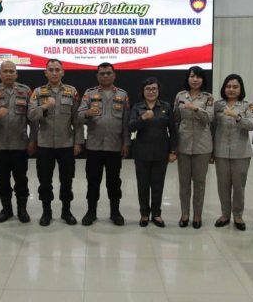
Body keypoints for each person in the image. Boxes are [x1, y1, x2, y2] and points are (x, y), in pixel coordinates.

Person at [27, 59, 83, 226]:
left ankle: (66, 211)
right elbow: (31, 115)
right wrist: (44, 107)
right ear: (45, 73)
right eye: (50, 70)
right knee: (45, 181)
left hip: (66, 144)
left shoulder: (71, 91)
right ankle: (47, 212)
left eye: (57, 69)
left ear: (62, 72)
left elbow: (77, 120)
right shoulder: (38, 92)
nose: (54, 72)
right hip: (45, 145)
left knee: (67, 181)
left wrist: (78, 142)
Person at [0, 61, 36, 224]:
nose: (8, 74)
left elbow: (32, 119)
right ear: (0, 74)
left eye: (12, 71)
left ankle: (22, 210)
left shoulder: (25, 91)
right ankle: (6, 210)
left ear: (16, 74)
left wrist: (32, 140)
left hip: (20, 145)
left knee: (21, 180)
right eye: (5, 71)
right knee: (2, 180)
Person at [78, 63, 130, 226]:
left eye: (108, 73)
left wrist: (126, 143)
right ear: (97, 76)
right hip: (94, 147)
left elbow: (126, 122)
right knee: (93, 182)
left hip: (114, 147)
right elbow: (78, 116)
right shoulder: (89, 93)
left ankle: (115, 212)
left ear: (114, 75)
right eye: (102, 73)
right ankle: (91, 212)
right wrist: (87, 113)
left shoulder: (123, 95)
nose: (105, 76)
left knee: (114, 182)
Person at [128, 77, 177, 228]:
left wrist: (173, 151)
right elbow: (131, 126)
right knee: (142, 185)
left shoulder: (166, 106)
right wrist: (142, 118)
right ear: (143, 91)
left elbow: (173, 130)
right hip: (141, 152)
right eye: (148, 89)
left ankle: (156, 214)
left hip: (161, 152)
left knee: (158, 184)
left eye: (154, 89)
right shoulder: (137, 107)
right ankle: (144, 214)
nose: (151, 91)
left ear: (158, 90)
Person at [212, 75, 253, 231]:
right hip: (221, 151)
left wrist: (237, 117)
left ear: (241, 89)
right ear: (224, 88)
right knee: (223, 185)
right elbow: (212, 127)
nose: (231, 89)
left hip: (241, 152)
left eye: (235, 87)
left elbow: (252, 125)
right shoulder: (217, 105)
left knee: (239, 186)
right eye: (228, 86)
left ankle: (238, 215)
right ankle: (225, 214)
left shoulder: (247, 106)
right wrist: (211, 151)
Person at [173, 66, 215, 229]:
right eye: (192, 76)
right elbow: (176, 118)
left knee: (199, 183)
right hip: (183, 144)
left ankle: (197, 215)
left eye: (198, 77)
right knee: (184, 183)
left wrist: (195, 108)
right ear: (188, 78)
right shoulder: (180, 96)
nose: (195, 79)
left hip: (202, 146)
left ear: (203, 79)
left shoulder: (208, 97)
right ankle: (185, 214)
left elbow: (209, 118)